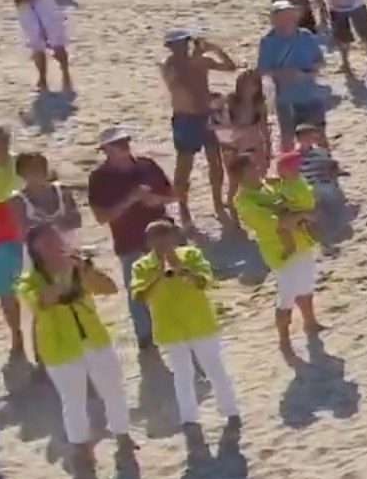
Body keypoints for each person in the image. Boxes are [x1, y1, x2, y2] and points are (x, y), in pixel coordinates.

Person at [17, 227, 133, 479]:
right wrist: (64, 271)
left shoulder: (78, 267)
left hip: (94, 338)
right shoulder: (29, 280)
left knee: (112, 388)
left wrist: (86, 271)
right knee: (74, 400)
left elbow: (110, 288)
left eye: (55, 238)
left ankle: (123, 436)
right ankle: (82, 450)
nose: (53, 243)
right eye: (46, 241)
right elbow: (44, 300)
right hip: (60, 348)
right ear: (35, 250)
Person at [131, 217, 241, 436]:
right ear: (149, 242)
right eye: (157, 241)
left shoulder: (191, 255)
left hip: (198, 322)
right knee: (183, 373)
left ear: (173, 237)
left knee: (214, 368)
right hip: (170, 328)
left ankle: (230, 411)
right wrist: (158, 274)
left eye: (165, 239)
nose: (162, 245)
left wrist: (184, 271)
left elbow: (206, 282)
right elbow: (139, 296)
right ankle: (189, 418)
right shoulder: (141, 266)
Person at [82, 128, 171, 348]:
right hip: (129, 240)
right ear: (105, 150)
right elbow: (101, 217)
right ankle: (146, 338)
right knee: (138, 292)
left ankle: (175, 328)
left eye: (124, 141)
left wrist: (155, 200)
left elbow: (174, 195)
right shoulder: (99, 178)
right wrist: (130, 199)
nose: (123, 146)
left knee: (173, 282)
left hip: (162, 236)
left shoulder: (147, 166)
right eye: (117, 143)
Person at [232, 151, 320, 355]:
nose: (256, 170)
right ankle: (284, 339)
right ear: (239, 177)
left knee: (306, 285)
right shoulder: (245, 202)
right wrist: (305, 214)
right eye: (250, 169)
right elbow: (280, 223)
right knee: (287, 295)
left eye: (255, 166)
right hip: (279, 251)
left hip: (301, 242)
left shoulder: (269, 185)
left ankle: (310, 322)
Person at [161, 29, 239, 222]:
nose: (180, 48)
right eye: (176, 45)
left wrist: (215, 49)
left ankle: (217, 201)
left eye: (183, 43)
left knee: (215, 161)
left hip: (205, 115)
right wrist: (199, 56)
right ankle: (183, 205)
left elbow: (230, 66)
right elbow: (174, 83)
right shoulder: (169, 65)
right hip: (185, 118)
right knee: (184, 165)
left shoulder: (199, 61)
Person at [256, 2, 332, 149]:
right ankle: (289, 170)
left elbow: (320, 62)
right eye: (280, 17)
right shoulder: (268, 41)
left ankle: (326, 166)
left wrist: (304, 73)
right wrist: (281, 73)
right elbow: (262, 70)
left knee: (319, 134)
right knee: (288, 138)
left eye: (288, 16)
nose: (285, 21)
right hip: (286, 99)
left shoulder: (305, 36)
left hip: (310, 94)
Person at [0, 126, 26, 358]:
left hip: (26, 236)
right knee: (7, 293)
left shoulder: (18, 166)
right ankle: (16, 334)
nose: (1, 148)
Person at [213, 69, 276, 181]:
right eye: (246, 83)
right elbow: (220, 124)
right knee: (234, 182)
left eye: (253, 84)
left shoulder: (259, 105)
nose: (249, 87)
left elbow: (264, 129)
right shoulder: (231, 100)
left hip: (253, 146)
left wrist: (268, 152)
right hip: (232, 145)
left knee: (257, 178)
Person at [13, 151, 81, 250]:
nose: (41, 172)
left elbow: (77, 221)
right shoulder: (17, 200)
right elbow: (19, 233)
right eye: (34, 169)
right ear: (22, 173)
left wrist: (64, 223)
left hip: (67, 251)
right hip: (36, 257)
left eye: (43, 166)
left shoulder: (62, 191)